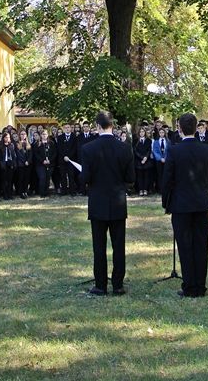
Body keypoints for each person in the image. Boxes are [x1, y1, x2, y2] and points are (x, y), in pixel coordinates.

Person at [162, 113, 208, 298]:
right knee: (201, 244)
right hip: (201, 202)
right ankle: (199, 285)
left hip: (181, 203)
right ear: (196, 128)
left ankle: (190, 285)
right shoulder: (206, 149)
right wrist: (203, 188)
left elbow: (167, 179)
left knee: (185, 246)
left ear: (180, 129)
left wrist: (166, 202)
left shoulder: (174, 151)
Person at [82, 111, 134, 295]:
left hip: (97, 202)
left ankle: (101, 285)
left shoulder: (88, 149)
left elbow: (85, 178)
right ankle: (118, 285)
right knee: (119, 245)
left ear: (97, 126)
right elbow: (130, 177)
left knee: (99, 246)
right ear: (112, 125)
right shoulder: (124, 148)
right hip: (118, 201)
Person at [33, 129, 56, 197]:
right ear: (41, 135)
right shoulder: (37, 143)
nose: (44, 135)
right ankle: (42, 193)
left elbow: (55, 153)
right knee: (42, 177)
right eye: (43, 134)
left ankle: (46, 192)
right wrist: (42, 160)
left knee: (47, 178)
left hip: (50, 164)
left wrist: (50, 160)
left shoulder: (51, 143)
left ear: (47, 135)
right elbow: (36, 154)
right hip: (40, 164)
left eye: (45, 134)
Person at [56, 123, 78, 195]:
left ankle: (72, 191)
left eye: (68, 127)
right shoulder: (60, 137)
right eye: (65, 127)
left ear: (71, 128)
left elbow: (75, 148)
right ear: (63, 129)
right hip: (62, 160)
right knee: (63, 176)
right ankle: (64, 191)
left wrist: (69, 157)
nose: (67, 129)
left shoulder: (75, 137)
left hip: (71, 160)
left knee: (71, 175)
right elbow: (59, 148)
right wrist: (64, 156)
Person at [0, 131, 17, 200]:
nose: (7, 139)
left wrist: (14, 163)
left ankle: (10, 194)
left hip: (10, 164)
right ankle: (5, 195)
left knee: (10, 180)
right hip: (3, 164)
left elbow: (13, 155)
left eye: (8, 137)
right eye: (5, 137)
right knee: (4, 181)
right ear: (3, 138)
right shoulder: (0, 145)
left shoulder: (11, 145)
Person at [134, 127, 153, 196]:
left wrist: (145, 157)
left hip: (147, 161)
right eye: (140, 132)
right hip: (138, 161)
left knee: (146, 176)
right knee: (139, 176)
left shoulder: (148, 140)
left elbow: (149, 150)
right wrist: (142, 158)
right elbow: (135, 151)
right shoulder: (136, 140)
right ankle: (140, 189)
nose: (141, 133)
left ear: (145, 132)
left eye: (143, 131)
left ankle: (145, 189)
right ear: (139, 133)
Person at [153, 126, 170, 194]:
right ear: (159, 133)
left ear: (165, 133)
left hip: (166, 161)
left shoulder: (168, 141)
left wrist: (165, 158)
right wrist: (160, 158)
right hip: (159, 161)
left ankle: (166, 188)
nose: (161, 134)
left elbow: (169, 151)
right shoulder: (156, 142)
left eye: (163, 132)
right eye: (160, 132)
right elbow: (155, 151)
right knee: (159, 175)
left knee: (165, 174)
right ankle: (160, 189)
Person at [15, 131, 32, 199]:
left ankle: (25, 191)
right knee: (21, 179)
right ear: (19, 135)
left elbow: (31, 154)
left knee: (26, 178)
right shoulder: (17, 144)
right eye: (21, 134)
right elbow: (18, 155)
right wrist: (24, 161)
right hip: (20, 164)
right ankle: (21, 192)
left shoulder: (28, 143)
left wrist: (28, 161)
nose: (23, 135)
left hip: (27, 164)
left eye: (24, 134)